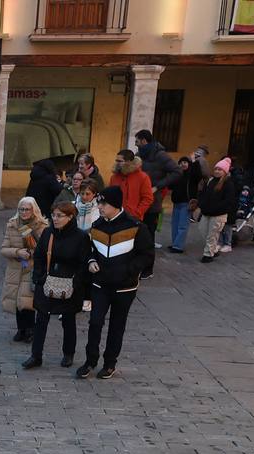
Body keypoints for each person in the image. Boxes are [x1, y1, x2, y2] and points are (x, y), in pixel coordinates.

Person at [79, 185, 153, 380]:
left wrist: (128, 271)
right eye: (99, 203)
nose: (100, 207)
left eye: (103, 203)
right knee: (95, 322)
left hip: (125, 287)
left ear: (115, 205)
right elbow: (90, 250)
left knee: (117, 326)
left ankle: (110, 363)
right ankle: (90, 361)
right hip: (100, 285)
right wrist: (91, 261)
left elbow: (147, 255)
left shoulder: (136, 226)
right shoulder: (97, 225)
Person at [23, 201, 89, 370]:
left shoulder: (80, 237)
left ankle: (68, 354)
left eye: (60, 215)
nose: (55, 218)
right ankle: (35, 355)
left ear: (70, 217)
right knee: (41, 319)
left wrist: (75, 283)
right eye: (53, 215)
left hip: (70, 285)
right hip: (47, 282)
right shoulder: (48, 233)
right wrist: (40, 277)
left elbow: (83, 264)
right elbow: (39, 256)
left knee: (68, 320)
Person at [0, 197, 49, 344]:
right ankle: (21, 329)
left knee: (27, 300)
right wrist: (17, 252)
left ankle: (30, 330)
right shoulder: (12, 225)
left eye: (27, 209)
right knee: (16, 301)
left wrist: (30, 254)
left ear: (34, 210)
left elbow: (45, 249)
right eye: (21, 209)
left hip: (32, 268)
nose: (24, 212)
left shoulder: (42, 226)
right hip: (16, 268)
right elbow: (3, 249)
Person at [134, 130, 182, 269]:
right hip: (138, 203)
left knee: (148, 236)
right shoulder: (138, 156)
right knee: (137, 235)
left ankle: (148, 268)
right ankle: (137, 264)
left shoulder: (161, 155)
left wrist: (158, 186)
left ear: (144, 141)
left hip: (153, 202)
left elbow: (177, 171)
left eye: (137, 142)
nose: (136, 145)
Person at [197, 159, 235, 262]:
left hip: (218, 214)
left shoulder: (228, 184)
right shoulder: (211, 181)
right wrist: (201, 204)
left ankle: (208, 255)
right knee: (203, 231)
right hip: (206, 212)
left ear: (225, 171)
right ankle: (213, 249)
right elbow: (204, 194)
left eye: (220, 169)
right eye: (216, 169)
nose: (217, 171)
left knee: (212, 234)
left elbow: (228, 201)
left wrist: (216, 208)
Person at [109, 148, 153, 224]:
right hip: (115, 217)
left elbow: (147, 199)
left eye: (120, 161)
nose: (117, 163)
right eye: (116, 161)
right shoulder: (114, 177)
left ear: (129, 162)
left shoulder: (143, 177)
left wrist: (136, 213)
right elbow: (110, 197)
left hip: (133, 218)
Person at [168, 156, 197, 253]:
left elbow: (199, 174)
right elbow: (170, 186)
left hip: (186, 203)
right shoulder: (177, 174)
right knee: (175, 224)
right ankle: (174, 243)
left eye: (185, 162)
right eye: (181, 162)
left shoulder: (192, 175)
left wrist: (194, 162)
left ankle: (178, 247)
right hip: (176, 203)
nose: (183, 164)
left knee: (182, 225)